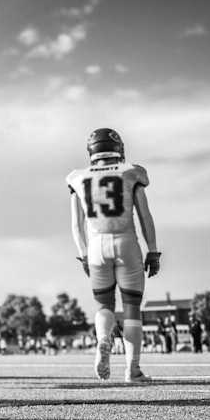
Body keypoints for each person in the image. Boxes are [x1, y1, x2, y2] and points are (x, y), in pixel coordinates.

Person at [68, 128, 160, 383]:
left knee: (104, 305)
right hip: (126, 241)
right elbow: (145, 216)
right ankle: (133, 369)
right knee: (131, 308)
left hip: (96, 246)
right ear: (118, 149)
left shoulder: (78, 177)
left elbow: (76, 225)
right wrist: (152, 250)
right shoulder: (131, 172)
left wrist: (83, 254)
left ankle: (103, 340)